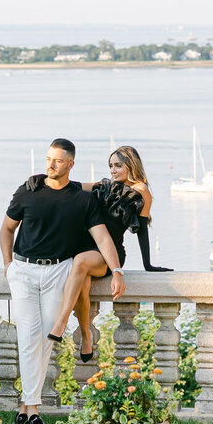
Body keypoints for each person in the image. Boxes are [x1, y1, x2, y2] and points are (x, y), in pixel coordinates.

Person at [0, 138, 124, 424]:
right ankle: (31, 408)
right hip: (24, 271)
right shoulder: (27, 191)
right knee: (29, 335)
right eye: (47, 159)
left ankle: (27, 407)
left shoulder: (82, 198)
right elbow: (6, 228)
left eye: (57, 160)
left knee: (44, 338)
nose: (50, 165)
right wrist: (8, 265)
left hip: (58, 272)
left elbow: (103, 237)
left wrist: (117, 270)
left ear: (70, 164)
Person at [48, 144, 169, 360]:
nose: (113, 170)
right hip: (85, 246)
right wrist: (42, 180)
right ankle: (86, 335)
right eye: (111, 165)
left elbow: (141, 231)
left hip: (108, 253)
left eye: (118, 165)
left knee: (81, 262)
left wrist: (148, 265)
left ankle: (62, 321)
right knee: (82, 280)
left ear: (131, 165)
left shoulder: (141, 192)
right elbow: (74, 185)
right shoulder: (106, 185)